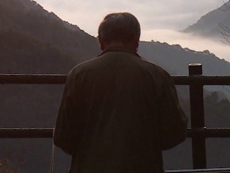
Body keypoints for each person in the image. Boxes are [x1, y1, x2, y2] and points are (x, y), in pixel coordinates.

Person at [53, 12, 188, 173]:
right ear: (136, 40)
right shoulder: (157, 76)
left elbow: (63, 137)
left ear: (101, 42)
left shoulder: (79, 75)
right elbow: (175, 133)